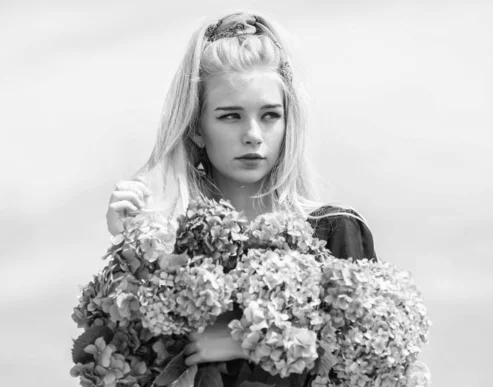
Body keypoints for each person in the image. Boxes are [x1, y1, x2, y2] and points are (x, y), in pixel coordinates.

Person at [104, 11, 377, 386]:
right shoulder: (171, 253)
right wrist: (131, 249)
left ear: (288, 122)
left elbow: (370, 367)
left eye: (269, 115)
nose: (253, 134)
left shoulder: (335, 233)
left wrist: (257, 340)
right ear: (197, 129)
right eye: (230, 116)